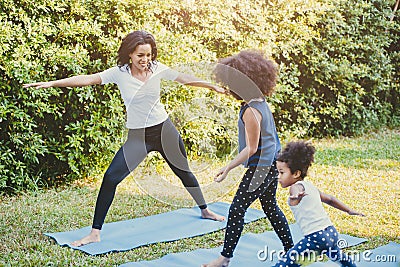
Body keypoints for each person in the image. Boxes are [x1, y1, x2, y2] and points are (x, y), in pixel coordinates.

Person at [23, 30, 225, 247]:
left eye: (148, 55)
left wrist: (209, 84)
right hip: (139, 136)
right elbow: (88, 80)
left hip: (164, 130)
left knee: (184, 172)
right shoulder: (118, 73)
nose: (145, 60)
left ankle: (205, 210)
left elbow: (184, 79)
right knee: (110, 178)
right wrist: (53, 83)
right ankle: (94, 233)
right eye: (140, 55)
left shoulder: (157, 69)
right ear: (130, 54)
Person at [202, 50, 294, 267]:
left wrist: (228, 168)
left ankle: (224, 259)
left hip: (262, 168)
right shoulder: (259, 101)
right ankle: (291, 251)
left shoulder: (250, 111)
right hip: (273, 164)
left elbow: (251, 148)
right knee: (270, 207)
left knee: (236, 210)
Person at [273, 141, 365, 267]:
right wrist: (349, 210)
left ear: (296, 174)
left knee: (285, 264)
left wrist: (295, 195)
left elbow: (298, 190)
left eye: (282, 172)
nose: (278, 177)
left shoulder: (295, 187)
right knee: (341, 259)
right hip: (331, 233)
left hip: (316, 238)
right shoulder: (311, 187)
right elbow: (330, 199)